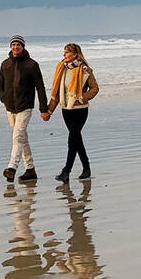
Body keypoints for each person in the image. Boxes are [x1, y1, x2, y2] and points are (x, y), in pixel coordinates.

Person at [45, 42, 99, 182]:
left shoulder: (85, 70)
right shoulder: (61, 68)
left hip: (80, 110)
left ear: (76, 54)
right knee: (76, 139)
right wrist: (49, 110)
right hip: (66, 109)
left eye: (67, 52)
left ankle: (66, 171)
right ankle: (86, 167)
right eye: (64, 52)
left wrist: (82, 97)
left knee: (72, 139)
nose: (64, 55)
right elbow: (57, 91)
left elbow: (95, 89)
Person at [0, 35, 48, 182]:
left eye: (18, 45)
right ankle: (30, 169)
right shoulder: (5, 64)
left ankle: (12, 167)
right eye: (13, 45)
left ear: (23, 46)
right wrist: (4, 98)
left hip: (25, 106)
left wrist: (43, 109)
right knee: (22, 138)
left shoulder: (32, 65)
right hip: (10, 107)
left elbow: (40, 88)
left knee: (17, 137)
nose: (15, 47)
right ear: (10, 46)